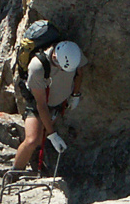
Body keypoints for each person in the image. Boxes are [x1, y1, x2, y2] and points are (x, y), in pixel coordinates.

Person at [13, 39, 84, 172]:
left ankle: (35, 159)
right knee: (32, 140)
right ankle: (14, 172)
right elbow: (41, 105)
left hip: (57, 103)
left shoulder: (73, 53)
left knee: (41, 138)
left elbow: (79, 73)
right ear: (55, 58)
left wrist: (75, 95)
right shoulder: (37, 67)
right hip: (39, 103)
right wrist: (53, 135)